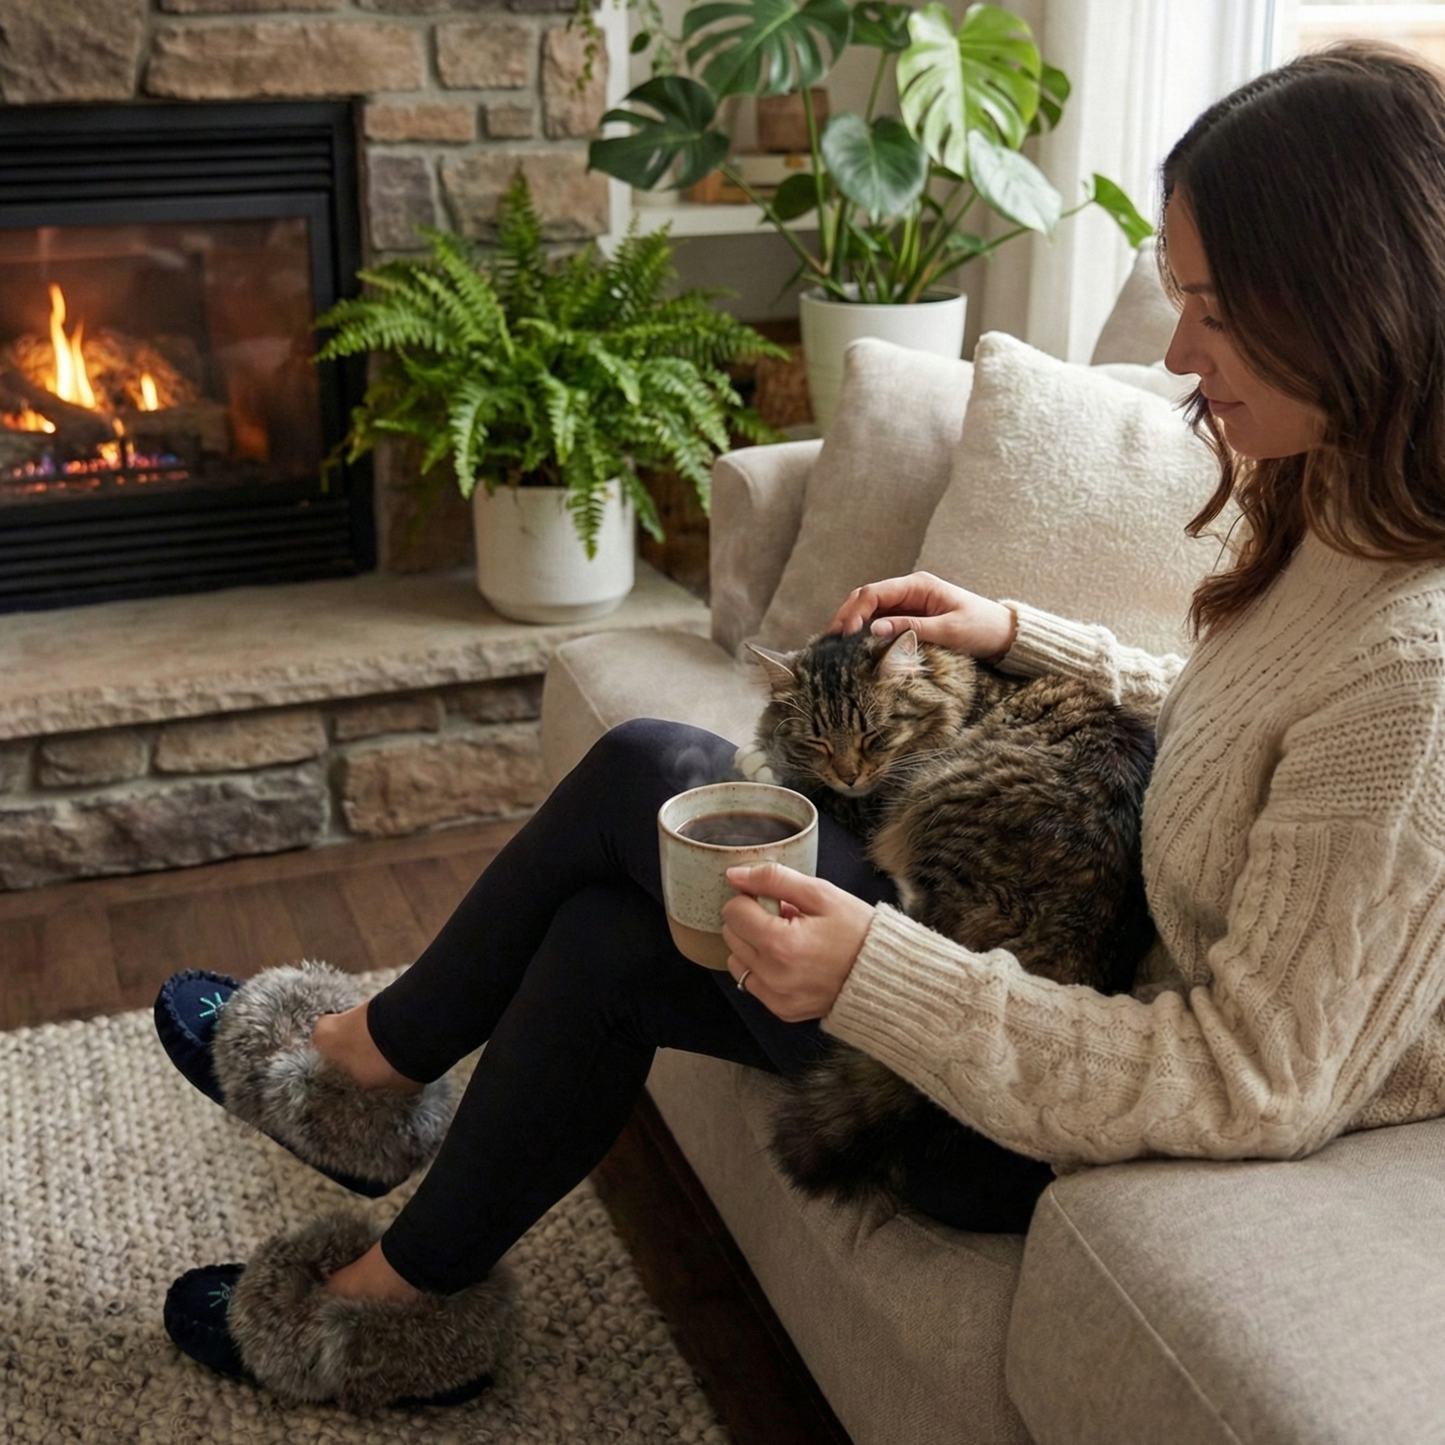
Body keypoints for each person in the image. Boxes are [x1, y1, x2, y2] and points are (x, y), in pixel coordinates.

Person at [158, 40, 1445, 1409]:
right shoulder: (1344, 500)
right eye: (1183, 299)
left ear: (1352, 301)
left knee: (659, 770)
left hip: (1058, 1115)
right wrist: (1018, 633)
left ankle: (365, 1075)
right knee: (612, 927)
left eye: (1216, 310)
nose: (1179, 352)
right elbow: (1241, 739)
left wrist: (876, 970)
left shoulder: (1413, 682)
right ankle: (402, 1290)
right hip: (1083, 969)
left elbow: (1252, 1081)